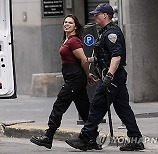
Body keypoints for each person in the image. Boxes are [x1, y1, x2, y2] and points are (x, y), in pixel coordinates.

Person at [65, 3, 145, 151]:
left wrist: (108, 76)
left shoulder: (111, 34)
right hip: (115, 76)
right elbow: (103, 57)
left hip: (113, 77)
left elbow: (116, 57)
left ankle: (85, 138)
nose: (95, 16)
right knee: (123, 109)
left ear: (105, 15)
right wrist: (87, 60)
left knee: (97, 105)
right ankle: (136, 139)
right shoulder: (105, 32)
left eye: (97, 14)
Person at [30, 14, 100, 150]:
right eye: (65, 22)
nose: (67, 24)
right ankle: (92, 139)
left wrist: (87, 76)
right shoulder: (67, 40)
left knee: (59, 105)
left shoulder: (74, 41)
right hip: (73, 78)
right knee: (84, 109)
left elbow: (84, 60)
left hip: (75, 79)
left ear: (75, 26)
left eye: (70, 23)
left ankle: (48, 137)